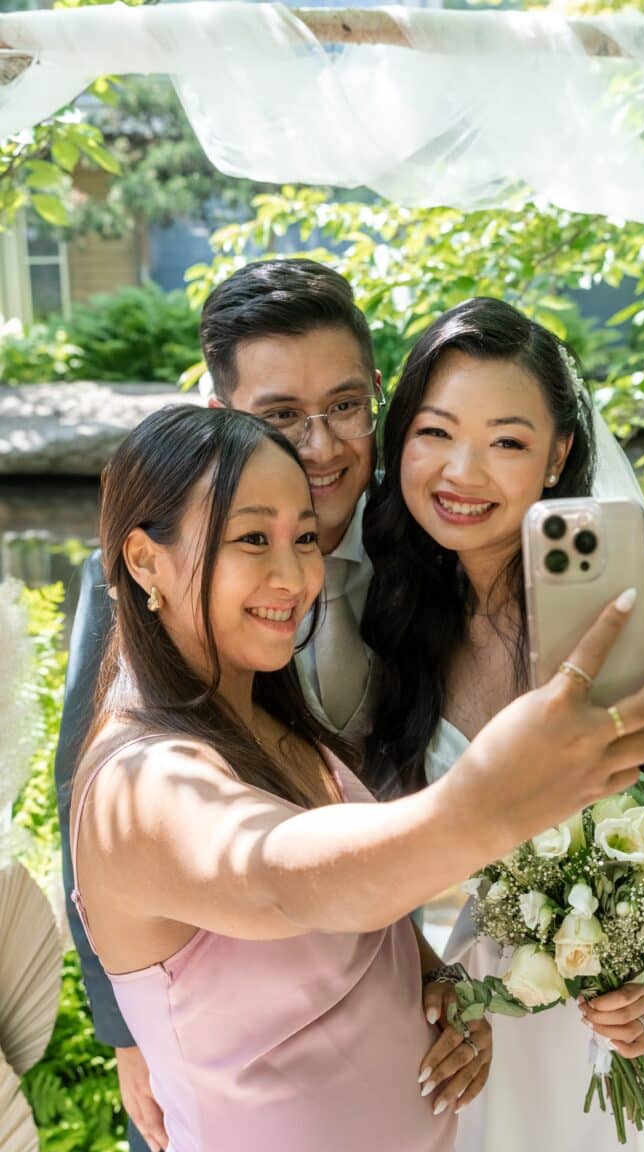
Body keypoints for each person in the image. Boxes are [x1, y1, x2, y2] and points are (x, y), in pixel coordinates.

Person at [69, 403, 644, 1152]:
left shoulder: (271, 720)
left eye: (305, 538)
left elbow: (366, 923)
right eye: (253, 538)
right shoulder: (141, 784)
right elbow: (287, 879)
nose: (293, 576)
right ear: (143, 559)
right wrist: (492, 797)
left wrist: (439, 988)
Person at [361, 297, 644, 1152]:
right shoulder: (398, 616)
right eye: (436, 432)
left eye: (507, 443)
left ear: (558, 456)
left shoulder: (635, 599)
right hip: (509, 996)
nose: (462, 472)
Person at [55, 258, 383, 1151]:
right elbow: (85, 796)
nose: (320, 446)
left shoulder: (426, 539)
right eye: (280, 417)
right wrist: (129, 1033)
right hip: (219, 1024)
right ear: (220, 416)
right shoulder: (146, 579)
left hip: (374, 982)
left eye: (345, 405)